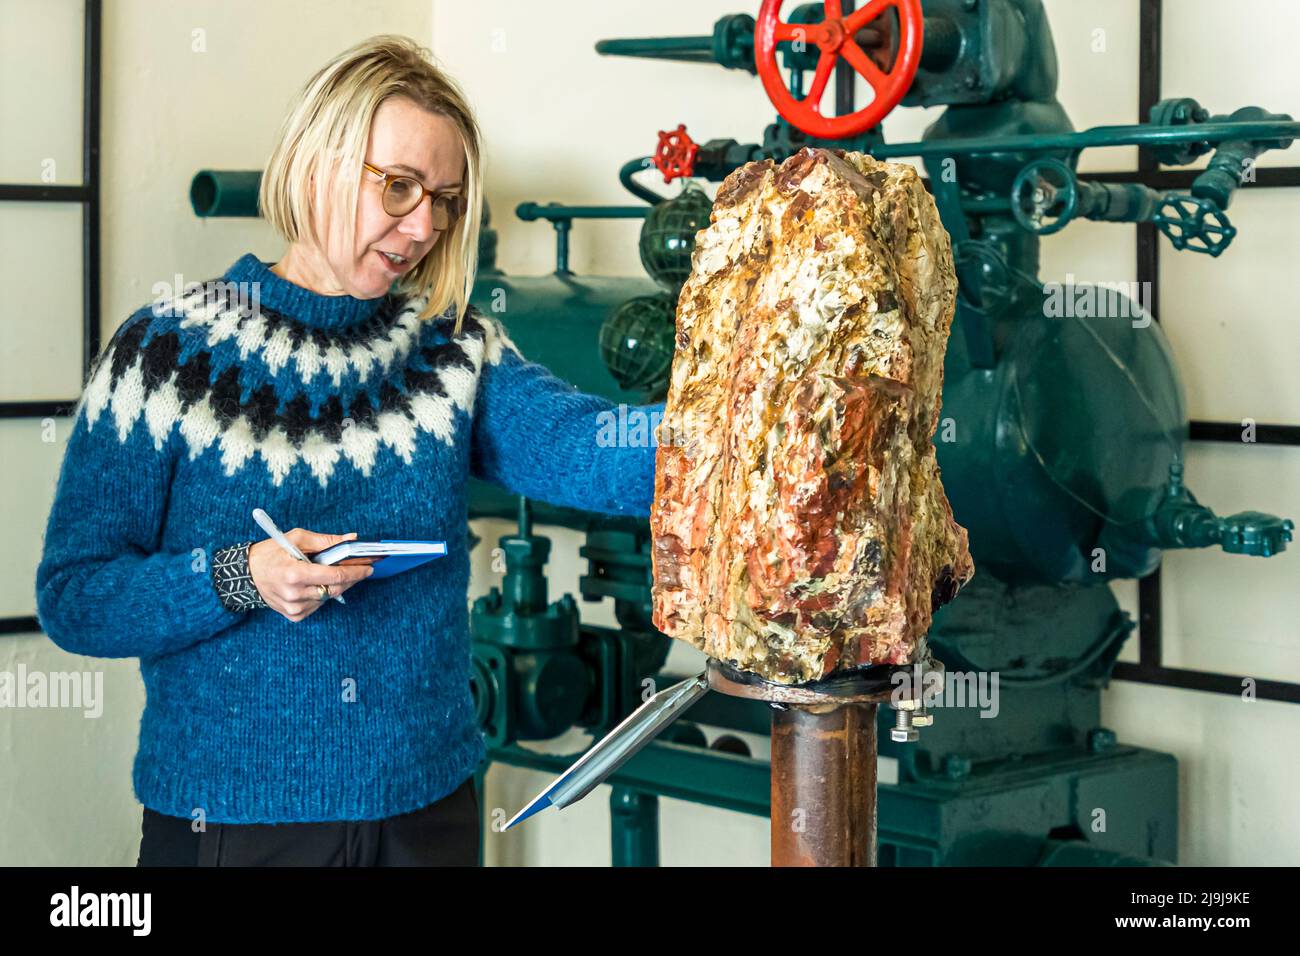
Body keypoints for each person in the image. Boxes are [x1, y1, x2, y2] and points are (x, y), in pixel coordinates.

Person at [34, 34, 663, 866]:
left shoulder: (451, 349)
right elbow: (77, 597)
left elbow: (595, 448)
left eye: (442, 198)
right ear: (315, 163)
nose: (423, 226)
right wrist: (239, 577)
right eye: (398, 187)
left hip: (428, 811)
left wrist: (766, 422)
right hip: (228, 823)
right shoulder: (166, 354)